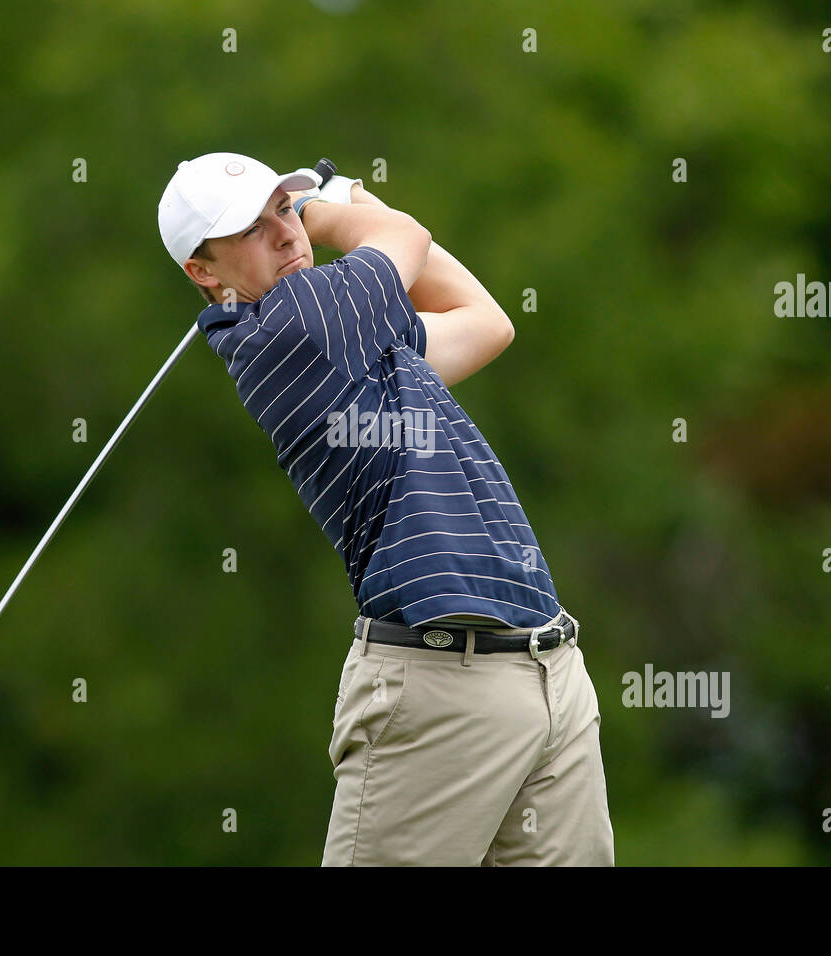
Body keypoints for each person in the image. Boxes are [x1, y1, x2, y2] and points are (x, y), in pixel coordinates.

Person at [157, 152, 614, 866]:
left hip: (548, 673)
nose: (283, 236)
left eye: (283, 209)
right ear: (203, 272)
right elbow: (405, 238)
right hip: (438, 690)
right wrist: (331, 208)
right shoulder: (293, 326)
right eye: (250, 228)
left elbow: (486, 321)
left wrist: (343, 215)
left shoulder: (356, 342)